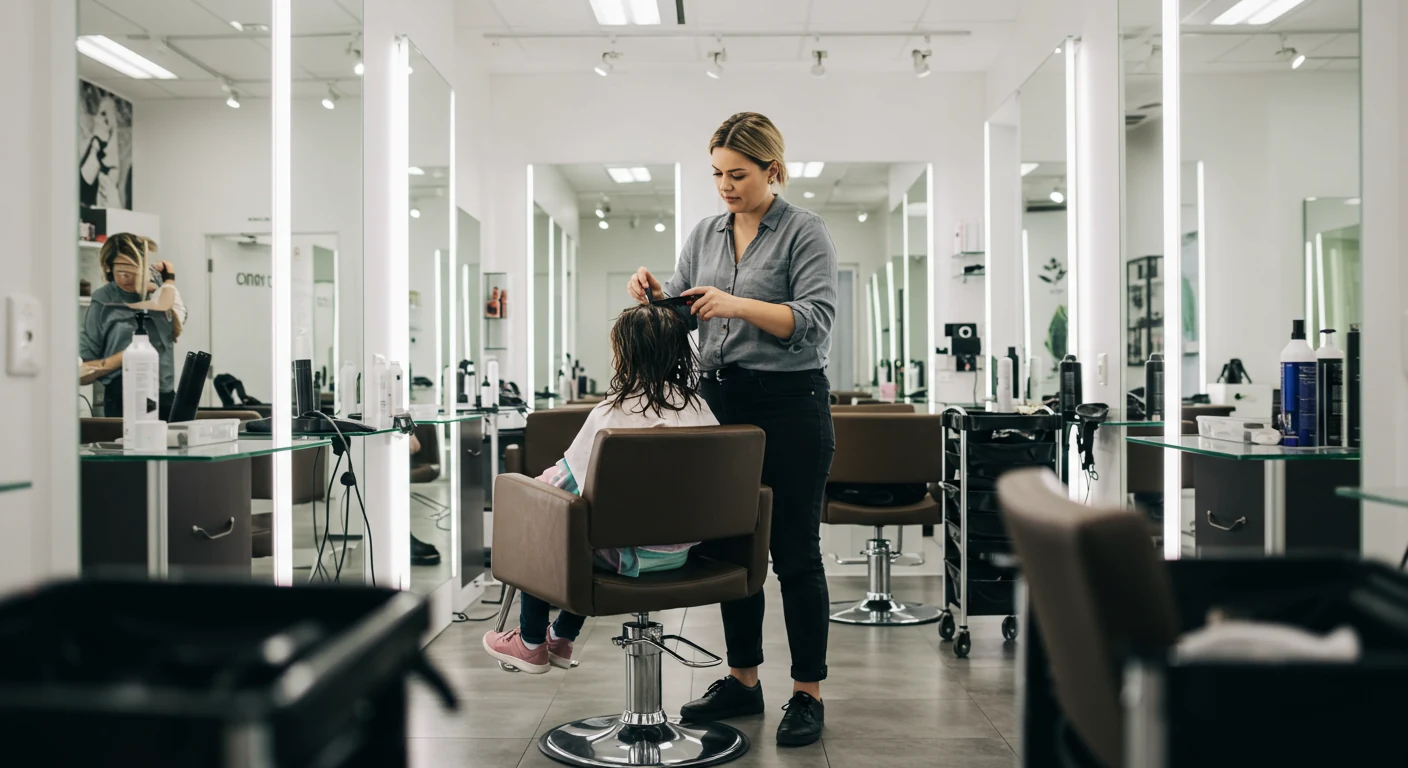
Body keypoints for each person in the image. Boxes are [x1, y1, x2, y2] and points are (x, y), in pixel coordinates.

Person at [627, 112, 839, 747]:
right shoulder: (704, 234)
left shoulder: (805, 231)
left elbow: (816, 320)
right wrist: (660, 300)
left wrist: (737, 302)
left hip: (792, 404)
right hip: (720, 402)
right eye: (717, 173)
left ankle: (808, 693)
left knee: (795, 553)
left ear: (772, 170)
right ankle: (743, 682)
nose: (724, 185)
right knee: (731, 549)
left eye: (738, 174)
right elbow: (692, 321)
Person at [482, 304, 718, 674]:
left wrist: (532, 493)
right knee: (584, 530)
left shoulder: (614, 414)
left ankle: (530, 642)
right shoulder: (700, 409)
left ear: (624, 354)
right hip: (681, 552)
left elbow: (566, 481)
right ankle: (560, 636)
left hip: (630, 558)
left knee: (545, 521)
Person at [80, 233, 180, 418]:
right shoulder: (103, 300)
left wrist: (167, 281)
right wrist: (124, 357)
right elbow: (85, 365)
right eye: (120, 271)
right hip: (122, 398)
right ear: (108, 268)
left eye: (133, 270)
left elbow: (176, 326)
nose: (126, 276)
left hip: (164, 395)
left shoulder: (160, 291)